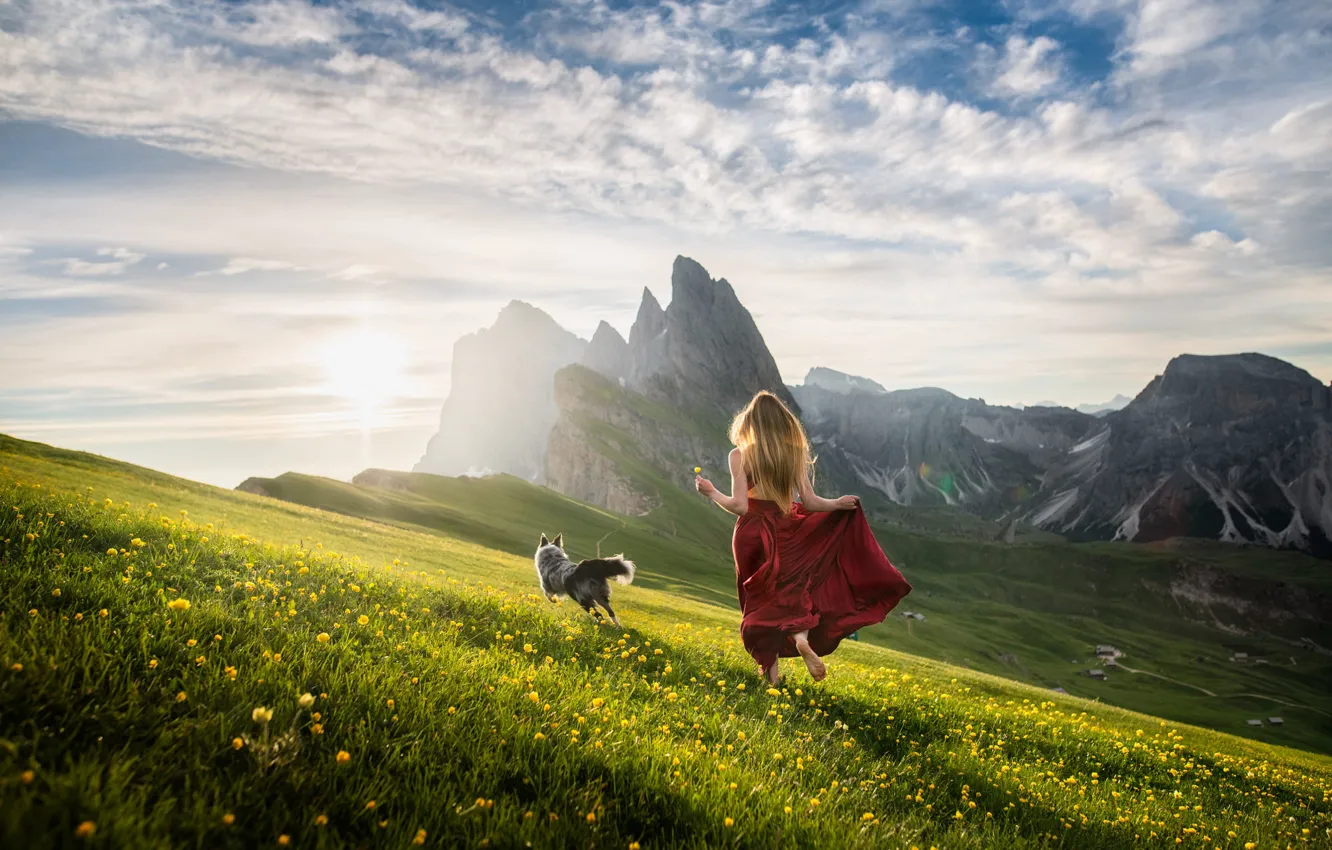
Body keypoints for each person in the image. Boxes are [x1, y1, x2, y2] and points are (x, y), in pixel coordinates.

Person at [695, 391, 912, 685]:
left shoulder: (740, 455)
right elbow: (810, 501)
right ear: (784, 422)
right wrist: (837, 504)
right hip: (784, 528)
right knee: (790, 593)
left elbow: (740, 506)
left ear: (750, 422)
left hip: (749, 535)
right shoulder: (793, 453)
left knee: (758, 601)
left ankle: (770, 678)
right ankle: (800, 638)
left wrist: (711, 492)